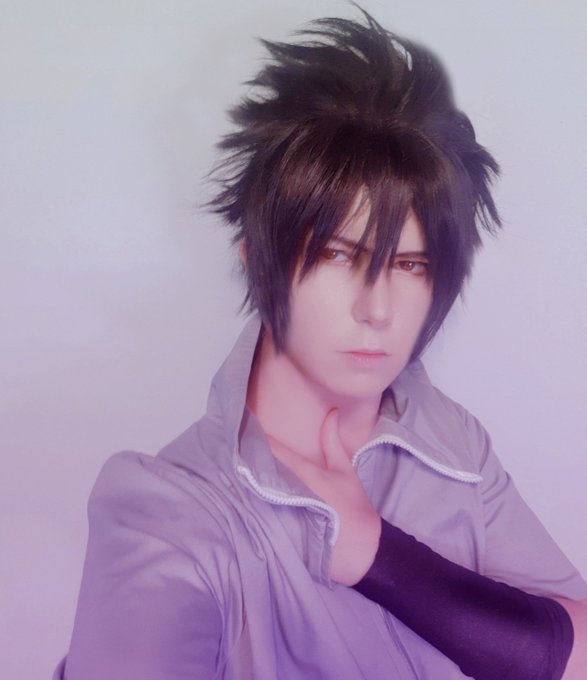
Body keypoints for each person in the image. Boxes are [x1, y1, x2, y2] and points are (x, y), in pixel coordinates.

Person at [55, 9, 587, 680]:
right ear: (258, 260)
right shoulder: (171, 513)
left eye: (410, 265)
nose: (376, 309)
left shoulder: (446, 441)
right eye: (338, 256)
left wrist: (377, 556)